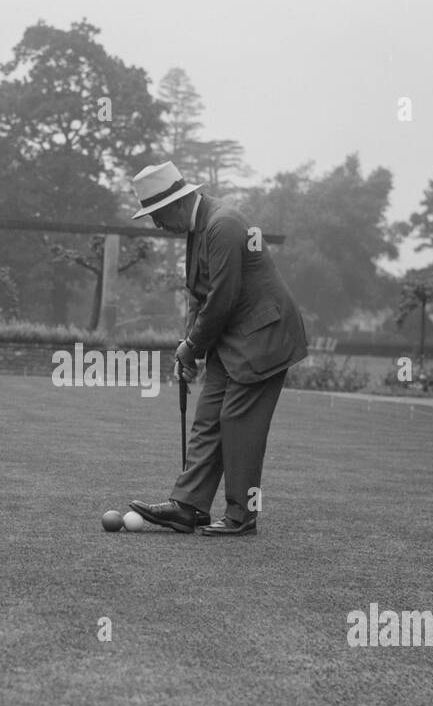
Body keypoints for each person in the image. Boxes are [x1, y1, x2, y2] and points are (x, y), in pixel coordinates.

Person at [126, 161, 308, 536]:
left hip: (263, 338)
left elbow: (223, 299)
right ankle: (189, 506)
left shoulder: (223, 225)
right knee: (208, 417)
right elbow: (199, 294)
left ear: (177, 203)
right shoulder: (199, 227)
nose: (157, 225)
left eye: (157, 216)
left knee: (239, 424)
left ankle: (242, 516)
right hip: (232, 339)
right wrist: (187, 345)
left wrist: (193, 347)